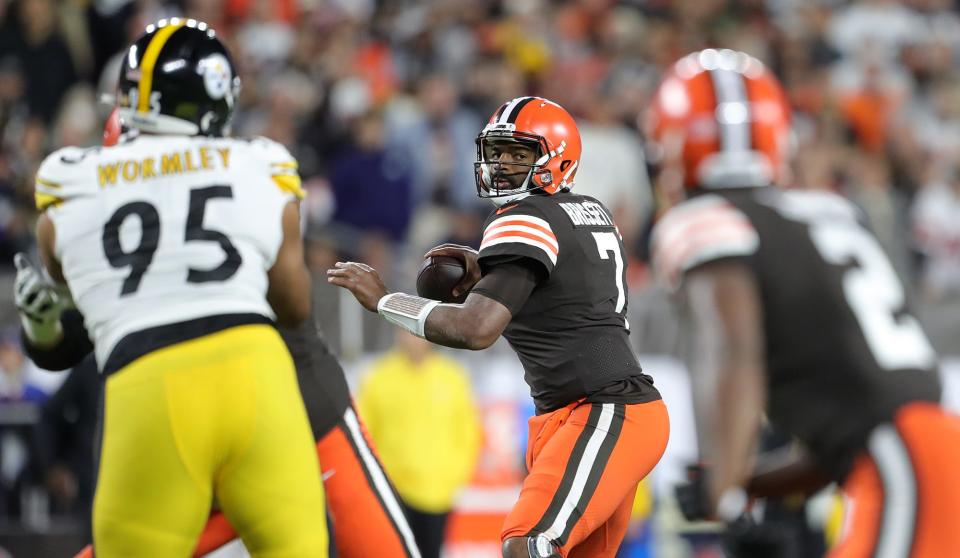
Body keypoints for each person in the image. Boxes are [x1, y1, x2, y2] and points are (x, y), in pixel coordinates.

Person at [18, 87, 420, 558]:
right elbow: (62, 347)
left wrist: (48, 325)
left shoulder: (227, 192)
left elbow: (293, 302)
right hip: (220, 426)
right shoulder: (228, 187)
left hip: (289, 415)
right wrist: (45, 326)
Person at [22, 18, 329, 556]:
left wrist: (48, 323)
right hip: (257, 373)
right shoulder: (259, 164)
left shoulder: (70, 179)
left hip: (151, 381)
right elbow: (294, 306)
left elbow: (66, 301)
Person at [647, 48, 960, 556]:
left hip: (903, 465)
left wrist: (722, 487)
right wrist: (748, 484)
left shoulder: (706, 222)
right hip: (921, 454)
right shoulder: (828, 210)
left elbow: (732, 349)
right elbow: (833, 446)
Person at [329, 96, 669, 558]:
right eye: (498, 151)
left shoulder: (524, 218)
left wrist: (386, 301)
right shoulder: (587, 209)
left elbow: (476, 329)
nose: (503, 164)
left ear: (557, 157)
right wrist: (492, 270)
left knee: (528, 543)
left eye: (520, 153)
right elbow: (566, 288)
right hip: (598, 409)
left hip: (602, 410)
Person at [357, 330, 482, 558]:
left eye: (416, 332)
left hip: (437, 491)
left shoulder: (451, 377)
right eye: (405, 332)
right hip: (393, 490)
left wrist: (454, 476)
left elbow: (467, 432)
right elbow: (364, 433)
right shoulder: (379, 377)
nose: (411, 339)